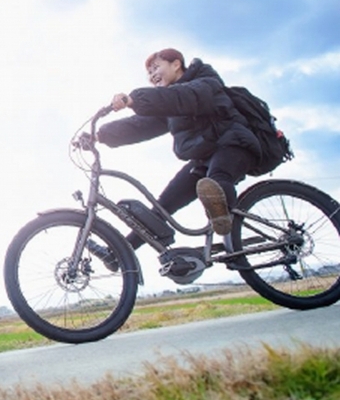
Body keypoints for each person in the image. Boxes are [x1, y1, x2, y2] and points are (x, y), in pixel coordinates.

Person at [90, 48, 261, 269]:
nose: (152, 75)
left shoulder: (206, 82)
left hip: (233, 144)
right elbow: (141, 125)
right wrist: (98, 136)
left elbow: (184, 97)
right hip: (203, 160)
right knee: (161, 210)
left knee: (217, 180)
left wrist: (134, 99)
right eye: (149, 73)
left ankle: (230, 236)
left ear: (176, 64)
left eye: (156, 67)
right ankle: (118, 254)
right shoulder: (169, 104)